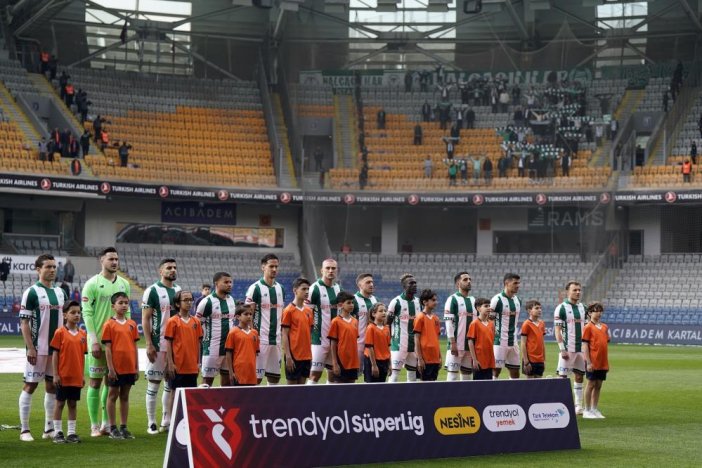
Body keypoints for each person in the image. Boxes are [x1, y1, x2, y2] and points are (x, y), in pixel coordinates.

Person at [82, 247, 131, 438]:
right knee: (95, 382)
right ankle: (94, 425)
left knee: (111, 383)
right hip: (98, 342)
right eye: (111, 259)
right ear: (101, 260)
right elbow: (87, 313)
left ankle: (105, 424)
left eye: (116, 259)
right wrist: (94, 340)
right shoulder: (92, 284)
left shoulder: (124, 284)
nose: (114, 262)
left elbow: (127, 314)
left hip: (117, 345)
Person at [18, 254, 66, 442]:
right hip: (38, 349)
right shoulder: (31, 292)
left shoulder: (61, 292)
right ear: (38, 269)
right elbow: (24, 323)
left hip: (56, 350)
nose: (52, 270)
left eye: (54, 267)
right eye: (48, 267)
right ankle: (24, 430)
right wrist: (30, 348)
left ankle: (49, 428)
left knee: (52, 386)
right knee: (30, 385)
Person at [142, 258, 181, 435]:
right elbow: (146, 318)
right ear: (161, 271)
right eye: (168, 268)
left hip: (175, 346)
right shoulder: (152, 291)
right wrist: (149, 343)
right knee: (154, 383)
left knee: (170, 383)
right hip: (158, 344)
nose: (172, 270)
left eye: (174, 267)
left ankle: (166, 420)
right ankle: (151, 422)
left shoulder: (179, 290)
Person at [102, 292, 138, 440]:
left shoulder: (132, 324)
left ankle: (123, 427)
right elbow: (108, 348)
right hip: (116, 367)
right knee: (112, 395)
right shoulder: (109, 324)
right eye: (120, 303)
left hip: (129, 366)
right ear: (113, 306)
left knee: (125, 395)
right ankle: (112, 427)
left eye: (126, 303)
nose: (124, 305)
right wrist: (110, 368)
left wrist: (136, 366)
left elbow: (135, 346)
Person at [50, 301, 87, 444]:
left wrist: (82, 375)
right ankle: (58, 432)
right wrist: (55, 374)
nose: (76, 315)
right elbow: (55, 354)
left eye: (78, 312)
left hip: (76, 376)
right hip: (63, 376)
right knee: (60, 403)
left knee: (73, 404)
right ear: (65, 315)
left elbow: (82, 357)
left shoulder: (83, 334)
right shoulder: (60, 332)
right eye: (73, 312)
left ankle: (71, 433)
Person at [245, 253, 285, 385]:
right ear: (263, 267)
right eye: (271, 266)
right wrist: (253, 337)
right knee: (256, 377)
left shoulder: (281, 288)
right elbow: (247, 315)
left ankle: (270, 399)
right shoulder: (255, 288)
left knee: (274, 377)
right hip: (260, 340)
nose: (274, 269)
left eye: (276, 267)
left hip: (276, 340)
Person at [164, 291, 202, 412]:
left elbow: (198, 343)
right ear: (177, 304)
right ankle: (172, 421)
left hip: (192, 366)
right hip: (178, 366)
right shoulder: (172, 321)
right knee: (174, 394)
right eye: (185, 300)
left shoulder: (196, 322)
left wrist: (198, 363)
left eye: (190, 300)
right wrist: (170, 363)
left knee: (190, 396)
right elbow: (168, 343)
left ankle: (187, 421)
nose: (189, 302)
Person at [196, 272, 235, 387]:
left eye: (230, 282)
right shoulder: (207, 302)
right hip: (211, 348)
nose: (229, 284)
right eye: (226, 282)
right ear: (216, 283)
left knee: (227, 382)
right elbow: (196, 325)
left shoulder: (231, 300)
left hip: (228, 349)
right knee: (207, 382)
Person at [554, 281, 587, 414]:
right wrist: (562, 349)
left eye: (579, 290)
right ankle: (560, 404)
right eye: (575, 290)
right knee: (562, 378)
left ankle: (578, 406)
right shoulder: (561, 308)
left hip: (581, 349)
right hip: (568, 348)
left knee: (579, 376)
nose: (578, 292)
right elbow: (557, 330)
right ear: (567, 292)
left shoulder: (583, 307)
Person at [306, 259, 341, 384]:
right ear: (322, 270)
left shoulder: (338, 289)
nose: (330, 271)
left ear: (337, 270)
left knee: (332, 374)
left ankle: (328, 397)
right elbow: (306, 314)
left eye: (333, 268)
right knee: (315, 375)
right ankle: (308, 396)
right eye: (327, 268)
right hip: (318, 339)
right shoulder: (314, 289)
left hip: (334, 340)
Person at [387, 274, 420, 383]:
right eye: (411, 283)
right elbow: (387, 324)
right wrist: (388, 342)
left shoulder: (418, 302)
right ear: (404, 286)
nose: (414, 285)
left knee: (412, 376)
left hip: (414, 345)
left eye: (415, 283)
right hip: (398, 344)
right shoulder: (396, 302)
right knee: (394, 375)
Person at [281, 278, 314, 385]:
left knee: (301, 389)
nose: (307, 292)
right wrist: (288, 356)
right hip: (293, 355)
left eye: (308, 289)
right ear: (295, 290)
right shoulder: (288, 310)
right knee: (292, 390)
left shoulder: (309, 311)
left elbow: (309, 332)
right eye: (303, 289)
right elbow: (284, 334)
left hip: (306, 355)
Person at [490, 273, 522, 379]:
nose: (518, 286)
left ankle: (512, 390)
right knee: (496, 371)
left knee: (515, 372)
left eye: (518, 283)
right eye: (515, 283)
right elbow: (489, 321)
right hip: (499, 342)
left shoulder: (518, 300)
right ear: (507, 283)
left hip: (513, 342)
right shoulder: (497, 300)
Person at [444, 272, 475, 382]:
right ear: (458, 284)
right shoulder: (452, 299)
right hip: (456, 345)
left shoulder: (473, 300)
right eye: (465, 279)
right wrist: (452, 342)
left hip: (469, 346)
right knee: (452, 376)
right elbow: (448, 322)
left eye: (470, 279)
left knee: (467, 376)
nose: (469, 281)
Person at [582, 302, 610, 419]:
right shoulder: (588, 327)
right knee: (591, 384)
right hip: (592, 361)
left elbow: (606, 341)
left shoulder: (604, 327)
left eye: (600, 311)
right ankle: (587, 410)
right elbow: (585, 345)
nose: (598, 313)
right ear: (589, 313)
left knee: (598, 385)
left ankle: (594, 409)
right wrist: (588, 362)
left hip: (602, 361)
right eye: (596, 311)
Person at [328, 291, 359, 384]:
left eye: (352, 302)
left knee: (351, 388)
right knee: (340, 389)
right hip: (341, 360)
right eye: (348, 303)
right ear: (341, 305)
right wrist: (334, 363)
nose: (352, 305)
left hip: (353, 361)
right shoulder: (336, 321)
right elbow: (333, 344)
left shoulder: (355, 321)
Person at [225, 303, 259, 386]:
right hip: (239, 373)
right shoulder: (233, 332)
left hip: (251, 373)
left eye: (250, 314)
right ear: (238, 317)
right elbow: (228, 353)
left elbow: (255, 353)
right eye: (246, 314)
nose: (249, 316)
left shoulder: (255, 333)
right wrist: (231, 372)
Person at [413, 289, 441, 382]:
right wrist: (419, 359)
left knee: (433, 385)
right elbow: (416, 338)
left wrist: (440, 357)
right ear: (425, 302)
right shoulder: (420, 317)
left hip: (435, 359)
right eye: (433, 300)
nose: (436, 302)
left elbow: (437, 339)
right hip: (425, 359)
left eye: (436, 300)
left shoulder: (436, 318)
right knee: (423, 386)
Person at [352, 273, 377, 374]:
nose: (371, 284)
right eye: (368, 282)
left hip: (372, 344)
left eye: (372, 282)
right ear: (360, 285)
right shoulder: (353, 300)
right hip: (357, 344)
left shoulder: (374, 299)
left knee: (371, 374)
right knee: (354, 374)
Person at [467, 298, 496, 381]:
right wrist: (474, 360)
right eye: (486, 306)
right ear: (478, 308)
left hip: (489, 360)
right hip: (479, 360)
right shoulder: (474, 324)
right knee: (478, 385)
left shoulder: (491, 324)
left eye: (489, 306)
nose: (489, 308)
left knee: (488, 384)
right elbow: (470, 342)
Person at [364, 303, 390, 383]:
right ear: (373, 314)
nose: (384, 313)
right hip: (373, 361)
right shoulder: (370, 328)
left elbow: (388, 347)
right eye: (381, 311)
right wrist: (374, 365)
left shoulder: (387, 328)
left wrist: (390, 364)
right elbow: (370, 347)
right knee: (371, 387)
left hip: (384, 361)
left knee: (382, 386)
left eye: (385, 311)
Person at [520, 300, 546, 379]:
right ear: (529, 311)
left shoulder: (542, 324)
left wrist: (544, 359)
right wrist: (526, 361)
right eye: (536, 308)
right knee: (530, 384)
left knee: (539, 383)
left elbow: (542, 343)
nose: (539, 310)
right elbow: (523, 343)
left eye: (540, 308)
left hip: (540, 360)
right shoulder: (526, 324)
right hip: (530, 360)